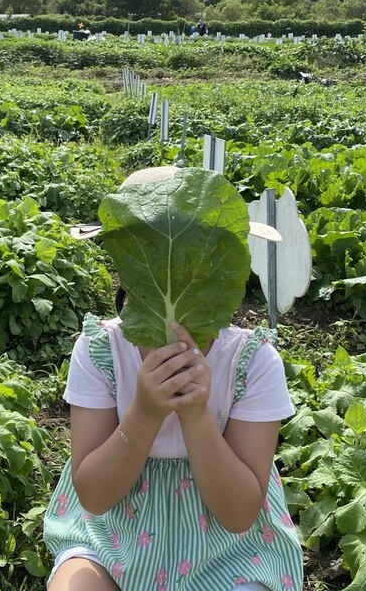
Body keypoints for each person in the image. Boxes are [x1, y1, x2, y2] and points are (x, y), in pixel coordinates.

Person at [45, 167, 304, 591]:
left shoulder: (252, 361)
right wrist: (145, 412)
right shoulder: (99, 351)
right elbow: (93, 495)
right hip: (113, 532)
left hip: (226, 546)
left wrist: (196, 414)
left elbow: (239, 515)